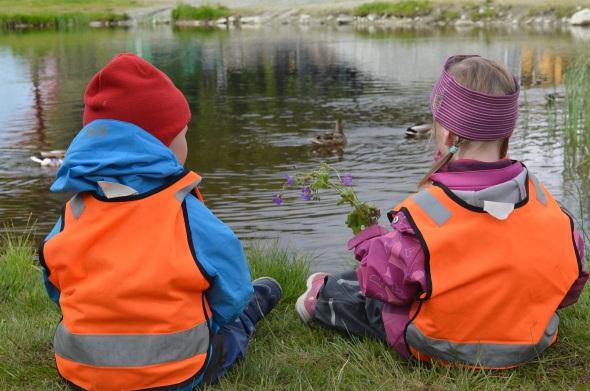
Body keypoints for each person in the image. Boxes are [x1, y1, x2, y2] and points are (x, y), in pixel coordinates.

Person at [296, 55, 588, 369]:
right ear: (508, 135)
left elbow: (388, 287)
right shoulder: (549, 207)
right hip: (532, 341)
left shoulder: (425, 213)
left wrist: (372, 246)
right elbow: (571, 288)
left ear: (447, 136)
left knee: (367, 300)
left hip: (441, 345)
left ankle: (320, 301)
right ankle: (331, 286)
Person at [39, 53, 282, 390]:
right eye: (183, 133)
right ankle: (260, 305)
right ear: (162, 143)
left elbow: (54, 284)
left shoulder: (74, 212)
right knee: (236, 322)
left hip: (80, 371)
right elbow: (233, 287)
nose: (186, 141)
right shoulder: (182, 210)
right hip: (174, 373)